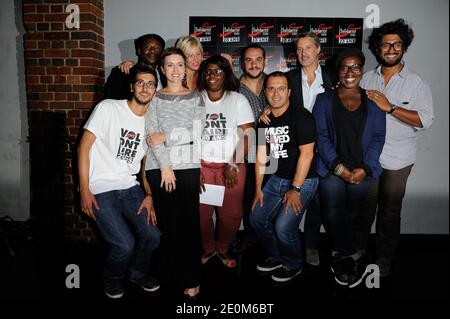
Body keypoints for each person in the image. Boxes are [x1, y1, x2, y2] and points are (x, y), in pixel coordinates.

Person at [78, 65, 161, 299]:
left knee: (153, 236)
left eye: (150, 84)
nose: (145, 88)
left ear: (155, 90)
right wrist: (84, 189)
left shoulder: (151, 123)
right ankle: (112, 278)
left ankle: (137, 272)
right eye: (140, 83)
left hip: (130, 187)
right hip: (99, 188)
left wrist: (150, 195)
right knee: (124, 245)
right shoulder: (108, 108)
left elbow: (145, 166)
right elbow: (83, 147)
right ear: (131, 86)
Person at [359, 19, 434, 277]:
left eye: (396, 44)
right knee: (364, 207)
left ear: (404, 47)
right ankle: (357, 250)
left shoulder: (415, 82)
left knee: (390, 211)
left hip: (398, 158)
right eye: (386, 44)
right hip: (369, 157)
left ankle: (384, 258)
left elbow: (425, 120)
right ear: (377, 48)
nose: (391, 49)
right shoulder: (366, 78)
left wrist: (390, 107)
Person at [261, 32, 337, 266]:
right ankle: (285, 248)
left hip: (324, 149)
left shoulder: (333, 77)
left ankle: (311, 246)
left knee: (317, 203)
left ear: (318, 50)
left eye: (308, 48)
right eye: (299, 49)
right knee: (292, 206)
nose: (303, 53)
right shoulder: (289, 77)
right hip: (298, 150)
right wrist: (266, 110)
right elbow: (277, 101)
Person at [312, 48, 386, 288]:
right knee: (333, 213)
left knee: (352, 215)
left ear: (362, 71)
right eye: (345, 67)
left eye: (355, 67)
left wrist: (365, 168)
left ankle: (337, 252)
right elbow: (321, 136)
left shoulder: (374, 100)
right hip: (332, 168)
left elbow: (378, 138)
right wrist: (337, 167)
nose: (350, 72)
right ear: (338, 71)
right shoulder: (324, 100)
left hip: (361, 170)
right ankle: (353, 255)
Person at [143, 47, 205, 298]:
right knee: (167, 226)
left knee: (188, 226)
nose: (176, 70)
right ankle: (168, 274)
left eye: (180, 64)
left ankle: (191, 278)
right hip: (159, 168)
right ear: (161, 69)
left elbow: (196, 132)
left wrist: (167, 136)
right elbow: (150, 136)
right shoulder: (153, 99)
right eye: (170, 65)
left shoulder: (196, 97)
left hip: (188, 168)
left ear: (185, 68)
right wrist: (166, 166)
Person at [250, 71, 318, 283]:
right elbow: (261, 155)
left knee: (283, 227)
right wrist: (258, 189)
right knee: (256, 218)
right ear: (265, 92)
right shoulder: (264, 120)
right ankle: (277, 256)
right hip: (277, 177)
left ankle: (293, 263)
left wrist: (295, 189)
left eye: (281, 88)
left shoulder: (302, 116)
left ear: (289, 92)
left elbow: (307, 154)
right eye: (271, 88)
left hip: (304, 180)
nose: (275, 93)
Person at [198, 55, 254, 268]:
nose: (213, 76)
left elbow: (248, 133)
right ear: (204, 75)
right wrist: (194, 167)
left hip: (231, 167)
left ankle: (222, 248)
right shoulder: (195, 99)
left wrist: (233, 164)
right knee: (201, 217)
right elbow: (187, 136)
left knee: (231, 216)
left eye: (218, 71)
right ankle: (208, 247)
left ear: (226, 75)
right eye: (209, 71)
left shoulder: (237, 99)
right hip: (202, 166)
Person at [233, 43, 267, 254]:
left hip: (271, 151)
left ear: (265, 61)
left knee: (266, 197)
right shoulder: (234, 87)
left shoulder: (275, 83)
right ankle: (250, 236)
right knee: (246, 198)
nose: (253, 64)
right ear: (242, 63)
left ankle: (267, 237)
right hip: (244, 150)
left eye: (258, 59)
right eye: (248, 60)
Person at [105, 33, 165, 99]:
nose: (152, 50)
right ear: (139, 51)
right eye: (147, 46)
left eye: (157, 47)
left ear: (161, 53)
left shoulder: (165, 76)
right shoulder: (122, 72)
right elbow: (110, 101)